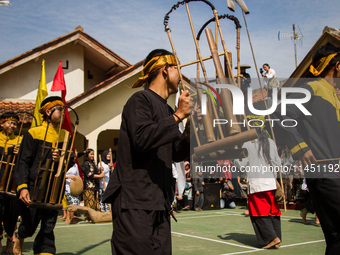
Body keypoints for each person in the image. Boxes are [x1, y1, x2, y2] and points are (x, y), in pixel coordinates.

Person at [102, 49, 190, 254]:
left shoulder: (167, 110)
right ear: (164, 70)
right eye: (177, 68)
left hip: (159, 202)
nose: (181, 75)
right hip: (135, 201)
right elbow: (142, 138)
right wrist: (178, 116)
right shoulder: (139, 100)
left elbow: (176, 153)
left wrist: (191, 127)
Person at [273, 44, 340, 254]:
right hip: (324, 171)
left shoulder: (332, 94)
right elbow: (281, 113)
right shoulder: (311, 87)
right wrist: (300, 148)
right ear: (338, 66)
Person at [13, 96, 66, 255]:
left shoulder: (65, 135)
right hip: (33, 187)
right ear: (49, 111)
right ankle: (20, 235)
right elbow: (23, 161)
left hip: (53, 189)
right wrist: (22, 187)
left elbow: (69, 162)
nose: (63, 113)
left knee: (48, 227)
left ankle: (44, 251)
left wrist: (60, 159)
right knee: (30, 225)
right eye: (60, 109)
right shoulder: (33, 132)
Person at [235, 129, 282, 249]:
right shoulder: (270, 141)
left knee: (259, 211)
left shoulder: (248, 144)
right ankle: (276, 237)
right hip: (270, 181)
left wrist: (235, 156)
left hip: (257, 182)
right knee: (272, 210)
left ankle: (272, 238)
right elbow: (277, 163)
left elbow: (241, 164)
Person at [0, 112, 22, 253]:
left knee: (11, 213)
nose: (12, 126)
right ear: (2, 123)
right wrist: (8, 150)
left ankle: (9, 240)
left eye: (15, 123)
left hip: (13, 182)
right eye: (9, 122)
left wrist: (19, 152)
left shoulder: (20, 140)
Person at [81, 148, 104, 222]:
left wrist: (100, 170)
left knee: (95, 201)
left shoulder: (93, 163)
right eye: (91, 154)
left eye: (93, 154)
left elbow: (96, 173)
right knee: (89, 202)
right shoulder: (85, 164)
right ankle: (88, 217)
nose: (92, 156)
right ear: (87, 155)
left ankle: (95, 216)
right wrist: (100, 176)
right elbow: (89, 174)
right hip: (88, 186)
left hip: (95, 186)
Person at [65, 154, 81, 224]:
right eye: (73, 157)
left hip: (75, 186)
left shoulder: (75, 165)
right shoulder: (65, 165)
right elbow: (62, 175)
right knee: (71, 203)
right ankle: (71, 219)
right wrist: (70, 177)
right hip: (68, 186)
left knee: (74, 203)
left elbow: (77, 175)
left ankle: (69, 218)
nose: (75, 158)